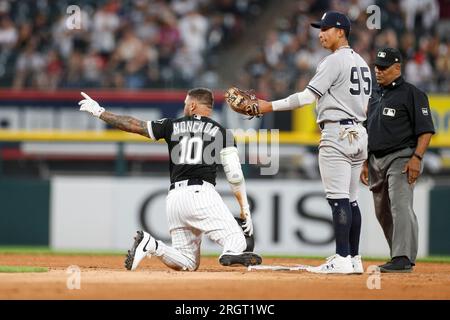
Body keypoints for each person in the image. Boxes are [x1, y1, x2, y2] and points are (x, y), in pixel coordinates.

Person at [77, 88, 262, 271]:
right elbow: (235, 175)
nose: (184, 107)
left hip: (175, 199)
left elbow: (133, 124)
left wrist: (99, 112)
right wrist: (244, 208)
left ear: (193, 105)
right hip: (201, 194)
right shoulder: (223, 133)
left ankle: (151, 245)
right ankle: (230, 252)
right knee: (237, 239)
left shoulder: (172, 125)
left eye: (185, 104)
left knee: (188, 262)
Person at [249, 11, 371, 274]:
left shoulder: (333, 61)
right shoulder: (362, 62)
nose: (320, 33)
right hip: (359, 132)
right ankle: (354, 259)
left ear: (341, 32)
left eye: (326, 28)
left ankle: (341, 258)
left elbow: (306, 98)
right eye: (320, 28)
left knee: (339, 200)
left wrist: (268, 106)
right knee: (351, 201)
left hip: (337, 133)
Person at [360, 48, 435, 273]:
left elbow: (426, 131)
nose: (378, 71)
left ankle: (403, 258)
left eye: (384, 67)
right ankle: (398, 256)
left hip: (401, 156)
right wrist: (364, 161)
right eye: (377, 66)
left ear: (397, 67)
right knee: (382, 212)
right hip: (375, 160)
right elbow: (368, 129)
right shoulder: (374, 95)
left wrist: (417, 158)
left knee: (400, 204)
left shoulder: (413, 94)